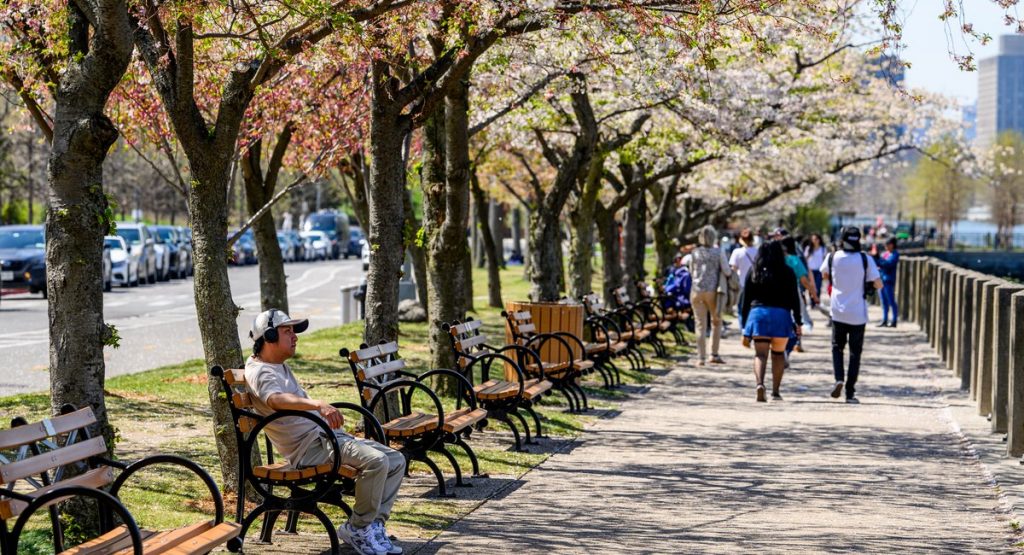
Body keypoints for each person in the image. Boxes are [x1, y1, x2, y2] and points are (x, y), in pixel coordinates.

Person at [244, 309, 406, 555]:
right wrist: (317, 404)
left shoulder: (277, 366)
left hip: (324, 439)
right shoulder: (261, 371)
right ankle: (358, 528)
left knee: (396, 460)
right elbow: (275, 399)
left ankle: (372, 526)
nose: (295, 337)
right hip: (310, 448)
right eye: (287, 331)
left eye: (294, 331)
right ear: (269, 336)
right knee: (377, 461)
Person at [820, 227, 882, 404]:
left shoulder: (832, 257)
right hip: (858, 313)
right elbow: (878, 283)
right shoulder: (865, 259)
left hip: (838, 310)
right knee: (855, 353)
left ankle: (838, 378)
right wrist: (868, 284)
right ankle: (850, 391)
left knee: (837, 347)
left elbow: (824, 274)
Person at [740, 240, 802, 402]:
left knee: (760, 354)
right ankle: (775, 391)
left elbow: (745, 300)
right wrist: (798, 321)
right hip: (781, 317)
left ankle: (760, 384)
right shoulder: (787, 272)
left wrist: (744, 326)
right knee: (778, 354)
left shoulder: (754, 271)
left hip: (758, 316)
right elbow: (795, 299)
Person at [687, 225, 732, 366]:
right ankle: (714, 354)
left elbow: (691, 271)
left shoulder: (695, 252)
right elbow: (727, 271)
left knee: (700, 324)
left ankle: (701, 357)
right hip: (713, 291)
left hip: (696, 290)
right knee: (716, 322)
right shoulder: (718, 252)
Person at [728, 228, 759, 326]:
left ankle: (744, 328)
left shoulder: (737, 252)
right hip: (755, 284)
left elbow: (733, 269)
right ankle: (752, 327)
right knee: (753, 308)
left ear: (741, 239)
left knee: (741, 308)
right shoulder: (758, 251)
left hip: (741, 284)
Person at [877, 237, 900, 327]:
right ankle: (885, 319)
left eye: (887, 244)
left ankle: (894, 320)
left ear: (892, 245)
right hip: (881, 280)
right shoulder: (885, 254)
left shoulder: (895, 254)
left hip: (889, 280)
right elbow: (880, 264)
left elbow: (888, 264)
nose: (886, 246)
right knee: (883, 302)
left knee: (891, 301)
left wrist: (879, 260)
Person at [803, 233, 827, 307]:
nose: (815, 241)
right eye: (813, 239)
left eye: (816, 239)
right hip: (810, 271)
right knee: (811, 287)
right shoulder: (808, 249)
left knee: (818, 286)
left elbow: (825, 259)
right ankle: (812, 302)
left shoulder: (823, 249)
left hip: (819, 270)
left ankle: (817, 301)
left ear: (819, 240)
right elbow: (805, 259)